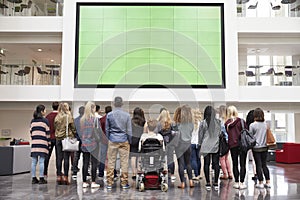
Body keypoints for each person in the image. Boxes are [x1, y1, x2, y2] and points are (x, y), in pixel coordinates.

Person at [106, 96, 132, 189]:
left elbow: (107, 129)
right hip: (124, 140)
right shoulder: (127, 115)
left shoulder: (109, 115)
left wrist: (109, 138)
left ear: (113, 103)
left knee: (111, 161)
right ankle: (124, 183)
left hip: (112, 139)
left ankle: (109, 182)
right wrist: (129, 140)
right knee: (124, 162)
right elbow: (129, 130)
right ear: (122, 104)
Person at [225, 105, 247, 190]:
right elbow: (246, 131)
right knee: (242, 164)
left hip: (232, 146)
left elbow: (228, 134)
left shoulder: (227, 123)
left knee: (235, 164)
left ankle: (236, 182)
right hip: (242, 145)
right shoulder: (241, 121)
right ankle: (242, 183)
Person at [199, 106, 221, 191]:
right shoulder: (218, 122)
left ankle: (208, 183)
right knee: (216, 164)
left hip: (205, 146)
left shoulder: (203, 123)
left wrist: (200, 144)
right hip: (215, 146)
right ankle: (215, 182)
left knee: (206, 164)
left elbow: (200, 135)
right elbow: (219, 134)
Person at [54, 102, 76, 185]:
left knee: (59, 158)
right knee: (66, 158)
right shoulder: (68, 116)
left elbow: (56, 127)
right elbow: (73, 127)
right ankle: (66, 177)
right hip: (66, 139)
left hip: (58, 139)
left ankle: (59, 176)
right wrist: (74, 134)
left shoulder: (57, 116)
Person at [79, 101, 100, 188]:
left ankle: (84, 182)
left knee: (85, 163)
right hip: (93, 143)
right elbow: (98, 132)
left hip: (84, 143)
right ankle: (93, 182)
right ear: (92, 108)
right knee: (94, 163)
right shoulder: (95, 119)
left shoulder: (82, 119)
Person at [249, 108, 271, 189]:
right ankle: (268, 182)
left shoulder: (252, 125)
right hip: (265, 147)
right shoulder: (266, 124)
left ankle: (260, 182)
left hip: (256, 148)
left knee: (258, 165)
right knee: (264, 165)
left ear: (254, 115)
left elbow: (250, 136)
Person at [174, 105, 194, 189]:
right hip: (188, 144)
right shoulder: (191, 124)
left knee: (181, 164)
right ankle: (191, 181)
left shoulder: (178, 124)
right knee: (188, 163)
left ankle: (182, 183)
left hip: (179, 145)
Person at [30, 104, 50, 184]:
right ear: (42, 111)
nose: (45, 111)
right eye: (45, 110)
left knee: (34, 161)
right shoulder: (45, 121)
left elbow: (31, 132)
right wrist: (48, 143)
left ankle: (33, 178)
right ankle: (41, 178)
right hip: (43, 143)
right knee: (42, 161)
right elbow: (47, 133)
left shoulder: (32, 121)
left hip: (34, 143)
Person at [98, 106, 118, 180]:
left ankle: (100, 174)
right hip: (112, 140)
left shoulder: (101, 119)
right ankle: (114, 174)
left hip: (103, 141)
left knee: (102, 158)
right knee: (112, 158)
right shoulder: (114, 120)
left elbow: (99, 131)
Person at [157, 109, 176, 181]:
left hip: (161, 144)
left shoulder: (158, 124)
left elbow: (156, 133)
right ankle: (172, 175)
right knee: (170, 159)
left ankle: (161, 173)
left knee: (160, 158)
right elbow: (174, 134)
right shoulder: (172, 123)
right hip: (170, 143)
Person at [44, 101, 59, 179]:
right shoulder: (60, 116)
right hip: (58, 138)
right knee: (58, 156)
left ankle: (45, 172)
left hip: (49, 138)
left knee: (47, 156)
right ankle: (58, 172)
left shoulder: (48, 116)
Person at [130, 107, 146, 180]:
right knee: (139, 156)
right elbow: (144, 132)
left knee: (133, 157)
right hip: (140, 139)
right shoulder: (143, 121)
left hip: (133, 139)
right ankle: (139, 171)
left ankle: (133, 173)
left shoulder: (131, 121)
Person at [218, 105, 233, 180]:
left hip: (223, 141)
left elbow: (221, 132)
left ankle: (225, 174)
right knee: (227, 158)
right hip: (230, 141)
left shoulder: (220, 121)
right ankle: (230, 173)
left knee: (222, 158)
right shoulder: (230, 120)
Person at [72, 106, 84, 177]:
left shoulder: (75, 120)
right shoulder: (87, 120)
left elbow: (74, 130)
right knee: (86, 157)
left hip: (78, 140)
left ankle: (74, 172)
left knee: (76, 156)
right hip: (85, 140)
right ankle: (87, 172)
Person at [246, 109, 258, 182]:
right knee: (256, 159)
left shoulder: (247, 125)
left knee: (251, 159)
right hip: (258, 143)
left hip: (249, 143)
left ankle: (255, 174)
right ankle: (257, 173)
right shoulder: (257, 124)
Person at [190, 108, 202, 181]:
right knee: (199, 159)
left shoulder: (190, 123)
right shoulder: (201, 123)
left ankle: (196, 174)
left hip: (192, 143)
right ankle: (199, 174)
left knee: (193, 159)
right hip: (199, 143)